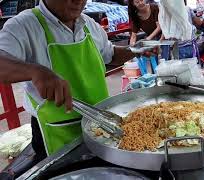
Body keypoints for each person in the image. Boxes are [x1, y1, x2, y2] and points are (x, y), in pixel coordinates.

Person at [0, 0, 138, 161]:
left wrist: (136, 49)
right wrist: (35, 71)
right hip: (56, 133)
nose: (79, 1)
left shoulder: (88, 24)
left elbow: (111, 54)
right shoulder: (23, 25)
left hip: (102, 125)